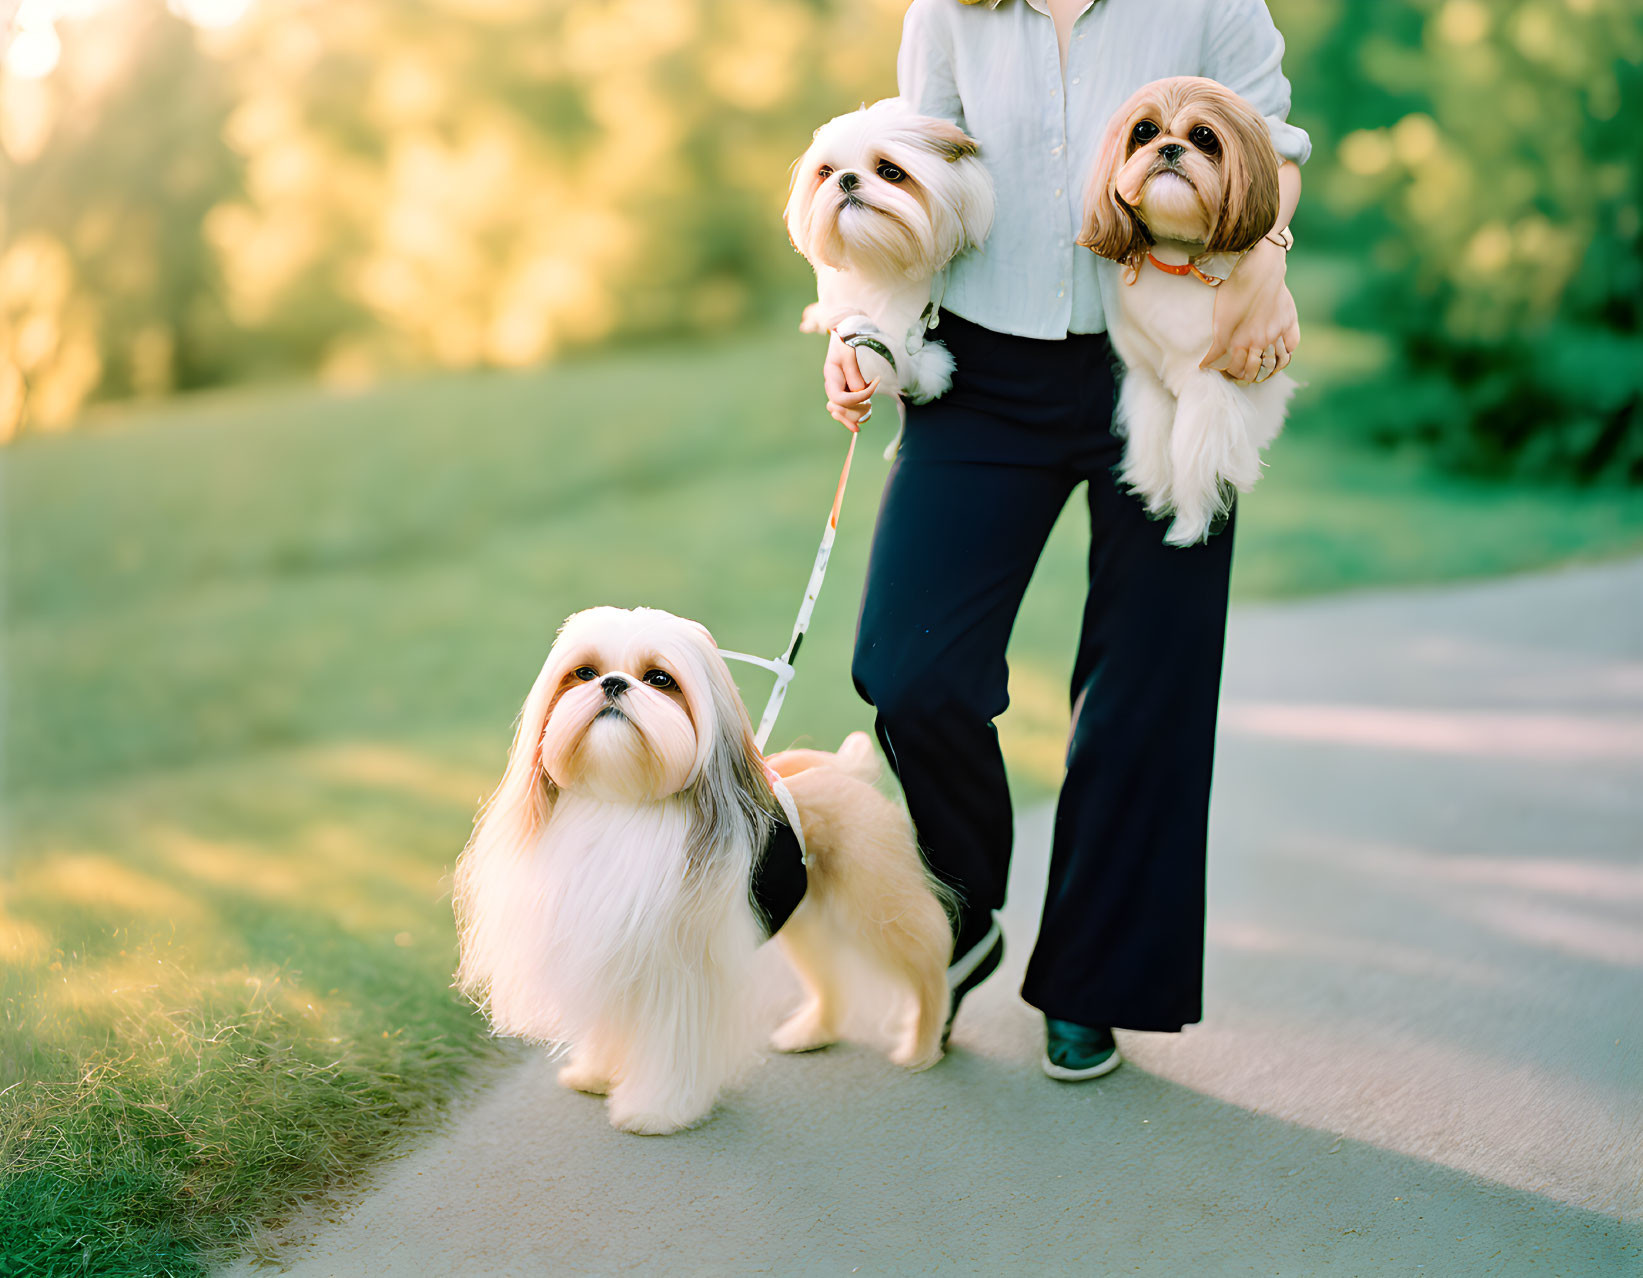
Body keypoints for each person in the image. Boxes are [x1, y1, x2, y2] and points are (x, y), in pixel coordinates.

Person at [831, 0, 1309, 1081]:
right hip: (982, 375)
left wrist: (1268, 269)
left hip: (1175, 357)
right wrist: (864, 332)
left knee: (1147, 688)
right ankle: (961, 904)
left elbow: (1269, 143)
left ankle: (1091, 981)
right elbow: (916, 180)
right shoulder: (945, 13)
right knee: (908, 672)